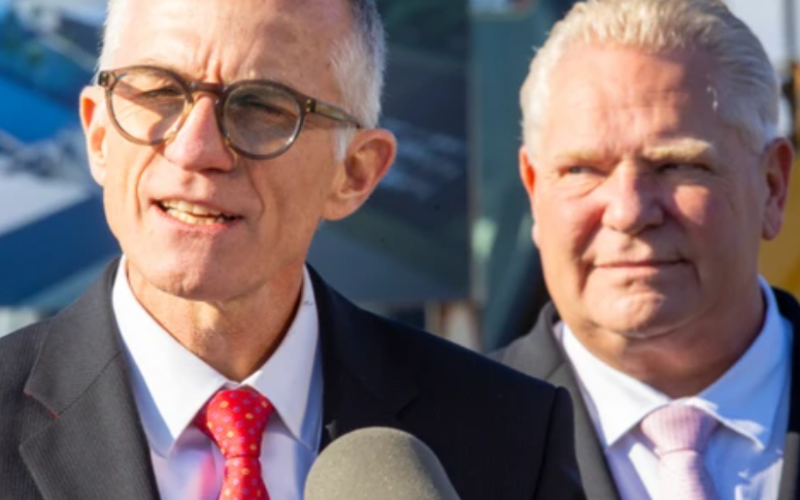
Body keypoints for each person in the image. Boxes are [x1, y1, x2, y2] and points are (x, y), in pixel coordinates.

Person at [0, 0, 585, 499]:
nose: (196, 147)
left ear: (355, 173)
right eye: (159, 91)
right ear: (99, 135)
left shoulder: (509, 434)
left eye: (260, 107)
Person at [495, 1, 798, 499]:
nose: (629, 211)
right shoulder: (438, 446)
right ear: (534, 190)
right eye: (582, 170)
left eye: (677, 165)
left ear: (773, 186)